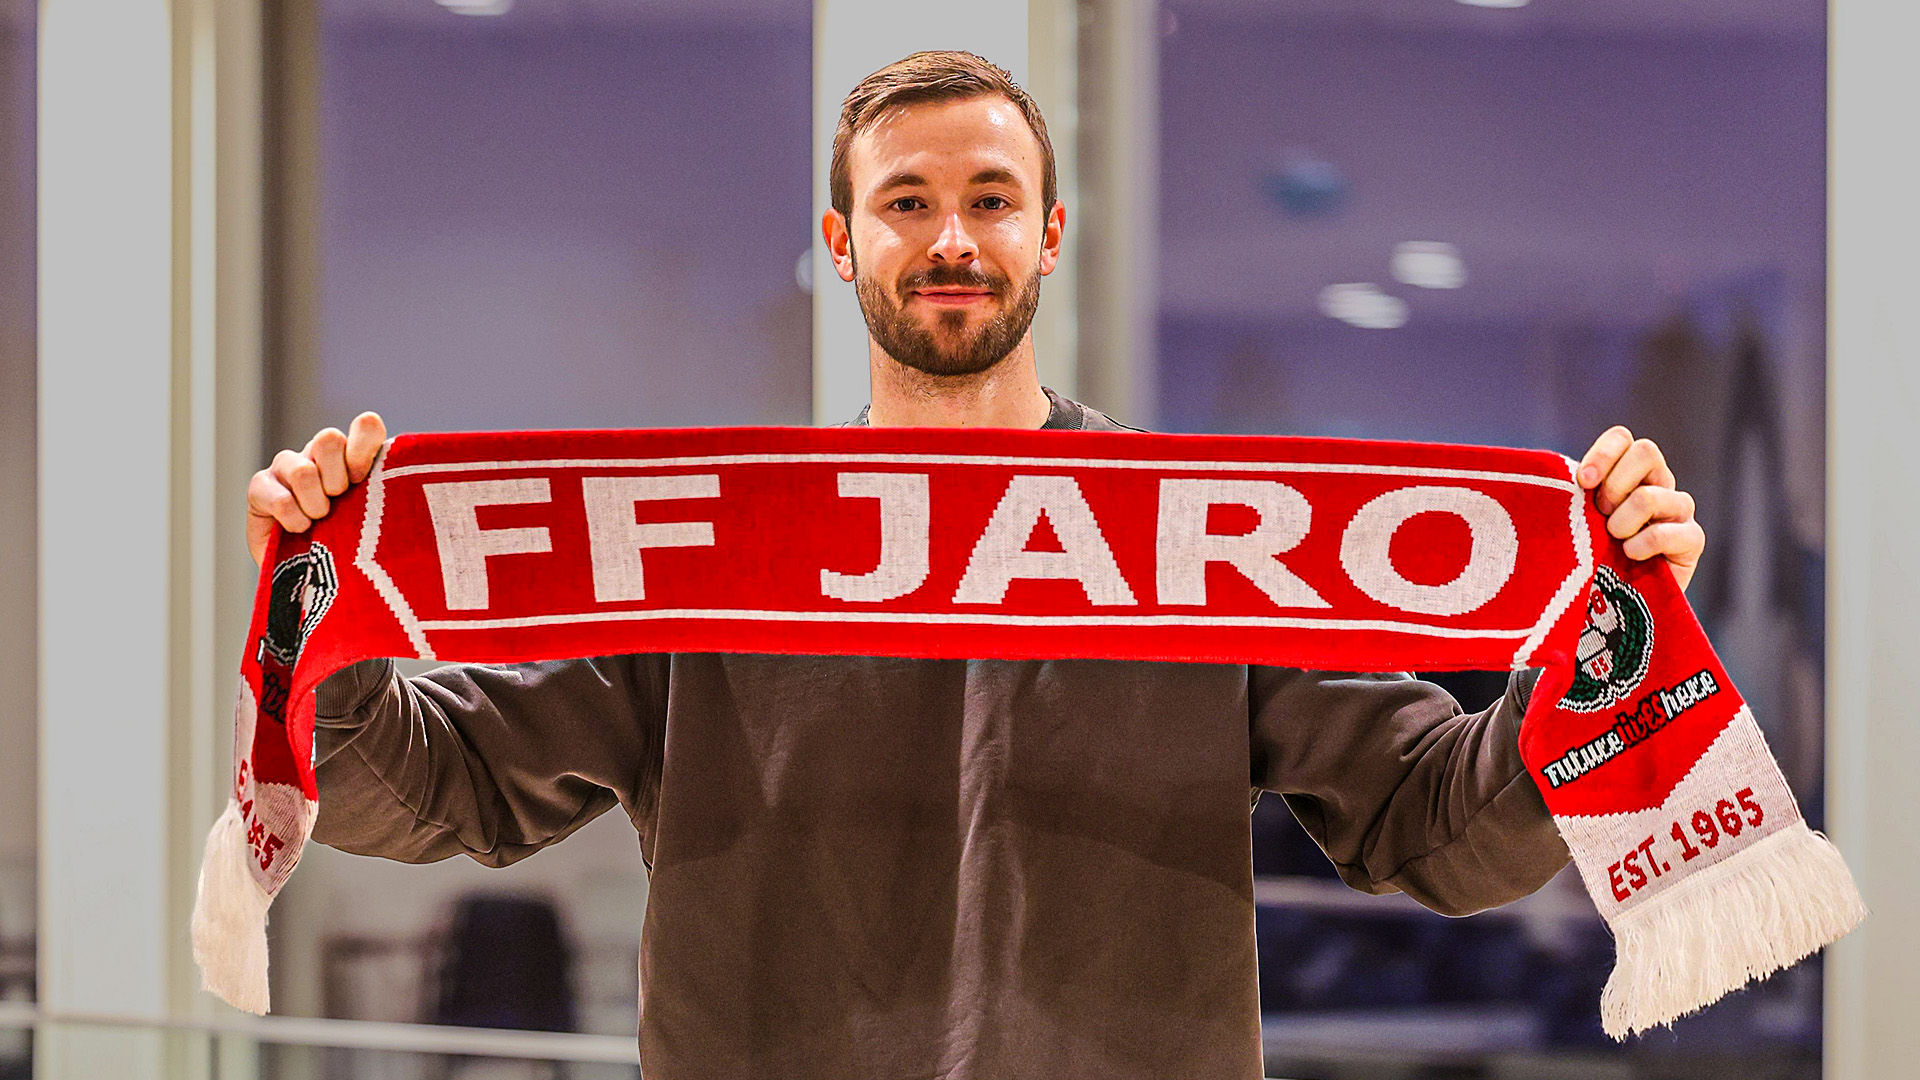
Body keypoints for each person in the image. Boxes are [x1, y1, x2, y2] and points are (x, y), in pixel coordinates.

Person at [245, 52, 1706, 1079]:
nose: (953, 238)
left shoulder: (1197, 541)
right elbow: (436, 788)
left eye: (992, 199)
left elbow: (1437, 828)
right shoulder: (719, 547)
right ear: (842, 242)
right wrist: (328, 620)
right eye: (906, 202)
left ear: (1049, 234)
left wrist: (1603, 648)